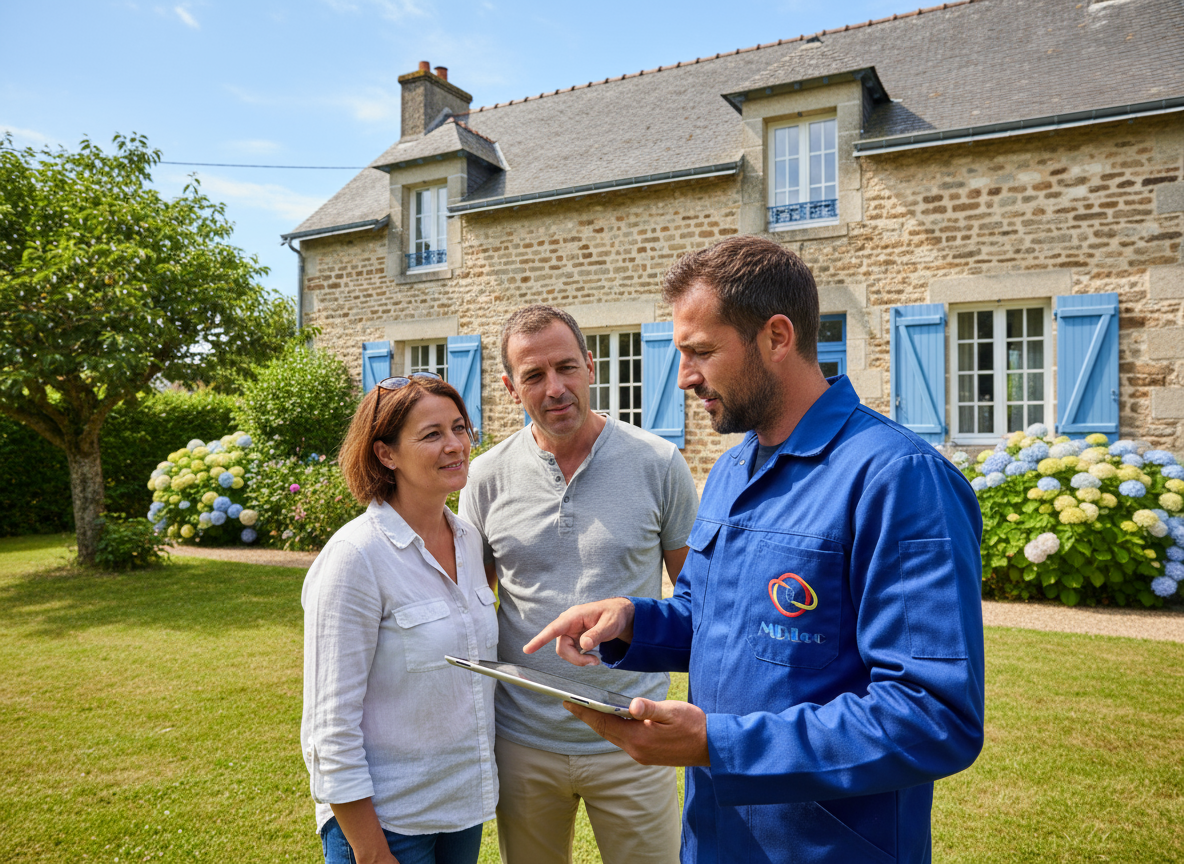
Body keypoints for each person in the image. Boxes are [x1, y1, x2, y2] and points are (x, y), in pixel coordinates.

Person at [525, 236, 986, 864]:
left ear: (776, 336)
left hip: (828, 847)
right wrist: (633, 621)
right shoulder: (733, 468)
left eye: (702, 352)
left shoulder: (897, 478)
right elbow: (711, 614)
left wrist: (721, 745)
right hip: (716, 836)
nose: (685, 376)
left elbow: (933, 716)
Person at [458, 305, 698, 864]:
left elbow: (696, 599)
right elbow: (468, 601)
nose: (555, 388)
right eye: (533, 376)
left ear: (591, 366)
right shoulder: (485, 478)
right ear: (509, 388)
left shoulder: (658, 463)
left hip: (635, 735)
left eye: (566, 367)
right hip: (522, 740)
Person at [301, 373, 498, 864]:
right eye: (432, 434)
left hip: (460, 810)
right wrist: (369, 850)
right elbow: (330, 727)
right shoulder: (355, 556)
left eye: (459, 428)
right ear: (386, 454)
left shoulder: (470, 541)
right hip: (388, 824)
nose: (455, 445)